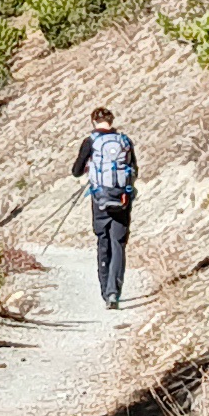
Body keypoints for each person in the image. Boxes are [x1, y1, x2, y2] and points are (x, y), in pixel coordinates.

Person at [72, 103, 137, 309]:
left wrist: (90, 170)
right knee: (119, 243)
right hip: (122, 199)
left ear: (94, 121)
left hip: (100, 199)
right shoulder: (125, 141)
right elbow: (134, 169)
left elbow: (75, 170)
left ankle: (104, 289)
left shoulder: (90, 141)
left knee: (103, 242)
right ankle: (113, 292)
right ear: (112, 121)